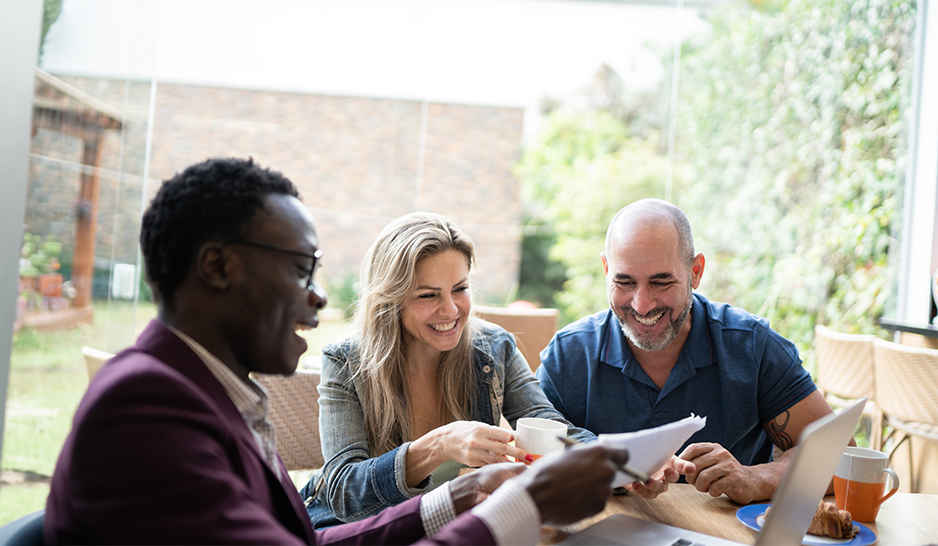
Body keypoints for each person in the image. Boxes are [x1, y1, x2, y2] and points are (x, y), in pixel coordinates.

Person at [43, 157, 627, 546]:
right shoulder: (145, 409)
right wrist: (515, 510)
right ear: (219, 267)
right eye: (301, 269)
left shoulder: (208, 394)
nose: (319, 296)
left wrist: (460, 496)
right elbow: (336, 501)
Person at [536, 198, 844, 505]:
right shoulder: (567, 357)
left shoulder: (752, 347)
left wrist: (756, 478)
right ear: (606, 270)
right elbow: (531, 464)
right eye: (624, 281)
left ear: (696, 271)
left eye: (661, 282)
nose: (642, 304)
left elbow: (840, 455)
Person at [303, 212, 594, 528]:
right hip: (366, 530)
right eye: (429, 295)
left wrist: (627, 463)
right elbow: (345, 495)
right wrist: (440, 444)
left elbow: (549, 427)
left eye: (460, 289)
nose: (451, 310)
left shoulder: (495, 347)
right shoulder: (346, 360)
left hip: (453, 527)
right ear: (390, 299)